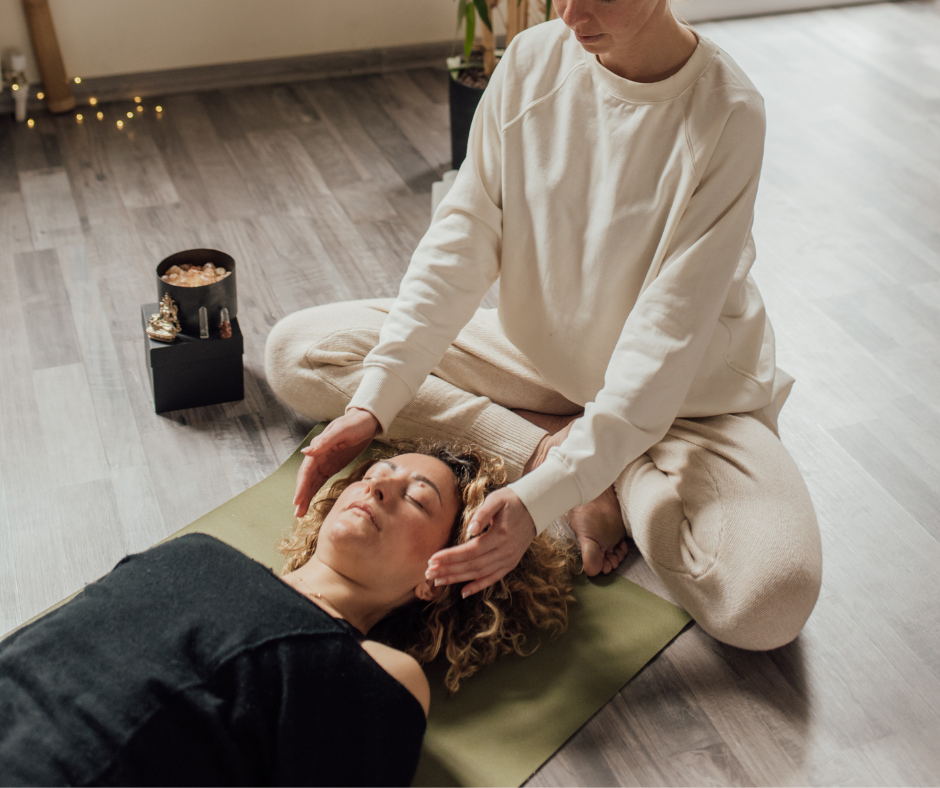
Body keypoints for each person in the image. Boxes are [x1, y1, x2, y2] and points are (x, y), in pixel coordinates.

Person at [265, 0, 823, 651]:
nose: (568, 11)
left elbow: (662, 343)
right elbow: (461, 244)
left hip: (690, 403)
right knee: (301, 354)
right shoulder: (532, 61)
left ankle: (605, 467)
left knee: (768, 603)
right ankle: (550, 444)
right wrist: (375, 405)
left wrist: (542, 501)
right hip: (539, 359)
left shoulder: (725, 113)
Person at [0, 442, 574, 787]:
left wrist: (565, 479)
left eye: (417, 498)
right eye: (375, 474)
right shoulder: (196, 551)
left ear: (444, 576)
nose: (376, 488)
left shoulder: (380, 672)